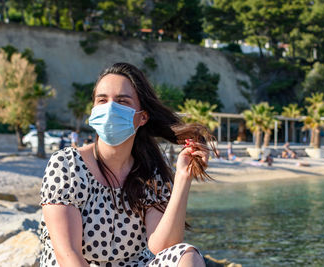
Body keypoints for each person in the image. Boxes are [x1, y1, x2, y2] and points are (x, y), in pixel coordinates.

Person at [39, 63, 213, 267]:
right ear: (94, 111)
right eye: (102, 100)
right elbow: (68, 254)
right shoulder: (67, 165)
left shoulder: (148, 172)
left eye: (122, 101)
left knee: (187, 255)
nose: (110, 108)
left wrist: (183, 177)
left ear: (143, 117)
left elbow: (164, 246)